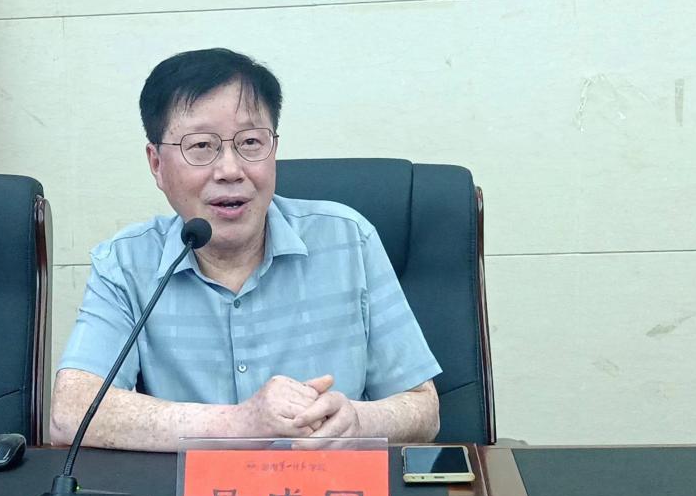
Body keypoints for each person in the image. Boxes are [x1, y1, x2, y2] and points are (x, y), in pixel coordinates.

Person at [51, 48, 441, 451]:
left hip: (330, 486)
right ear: (156, 164)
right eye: (201, 146)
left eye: (251, 142)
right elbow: (71, 413)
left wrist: (358, 422)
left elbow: (424, 408)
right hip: (193, 493)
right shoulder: (126, 263)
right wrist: (241, 423)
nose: (230, 170)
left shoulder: (349, 240)